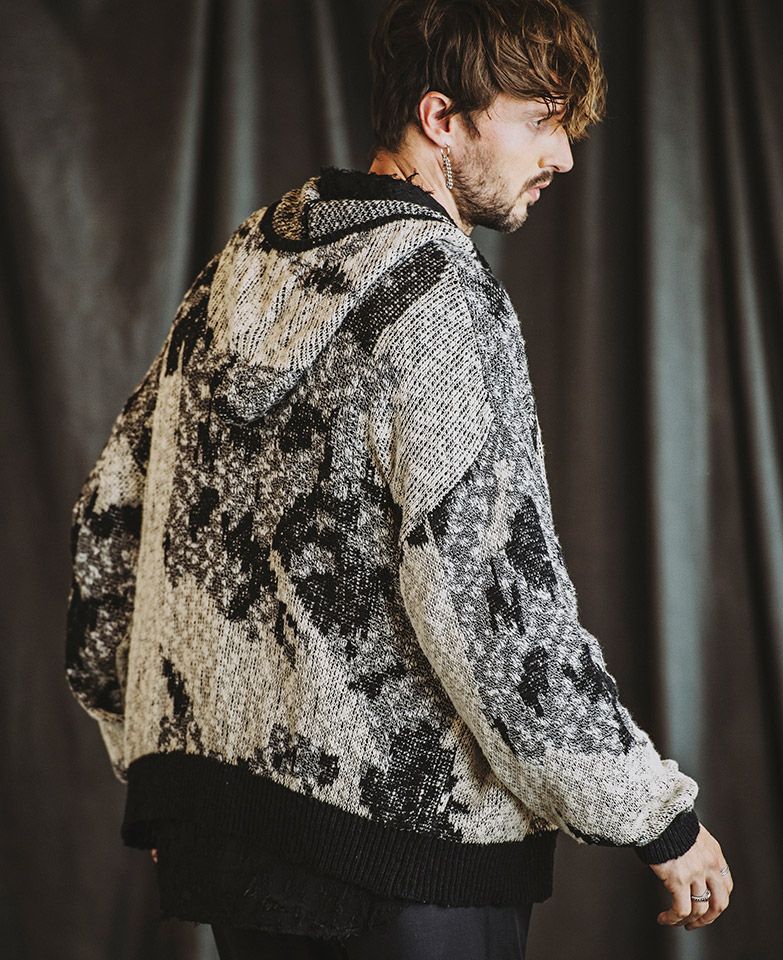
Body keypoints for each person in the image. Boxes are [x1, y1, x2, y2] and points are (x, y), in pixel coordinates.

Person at [64, 1, 733, 957]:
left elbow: (111, 527)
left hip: (232, 850)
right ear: (440, 118)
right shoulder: (440, 294)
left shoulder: (238, 271)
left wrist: (171, 765)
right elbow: (495, 603)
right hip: (412, 865)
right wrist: (658, 817)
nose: (563, 156)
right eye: (540, 121)